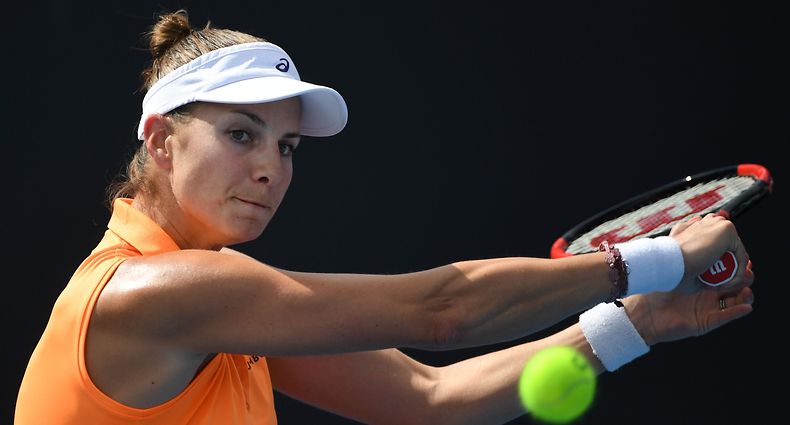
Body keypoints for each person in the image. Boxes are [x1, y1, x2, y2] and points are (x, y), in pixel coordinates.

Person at [15, 9, 755, 425]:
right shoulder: (151, 293)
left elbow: (430, 401)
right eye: (241, 134)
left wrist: (636, 324)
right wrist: (655, 259)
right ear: (160, 142)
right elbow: (444, 312)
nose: (272, 168)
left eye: (286, 145)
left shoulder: (224, 301)